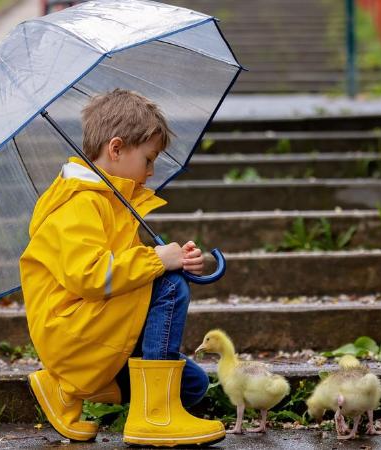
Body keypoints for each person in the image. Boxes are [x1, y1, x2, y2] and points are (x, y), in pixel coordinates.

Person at [20, 89, 225, 446]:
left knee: (192, 385)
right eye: (148, 159)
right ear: (115, 149)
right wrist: (160, 263)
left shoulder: (110, 202)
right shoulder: (78, 202)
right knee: (170, 284)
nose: (151, 170)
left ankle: (64, 389)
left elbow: (123, 269)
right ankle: (152, 417)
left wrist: (170, 257)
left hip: (91, 328)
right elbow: (92, 275)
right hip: (71, 330)